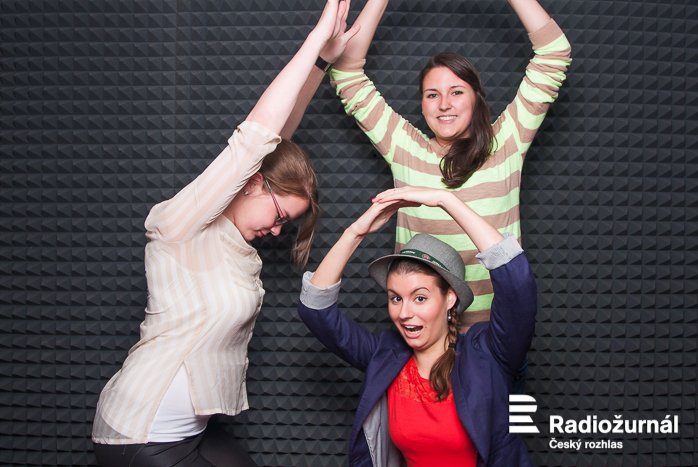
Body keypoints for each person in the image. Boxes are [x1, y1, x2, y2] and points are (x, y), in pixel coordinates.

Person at [91, 1, 360, 465]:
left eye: (285, 224)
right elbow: (257, 139)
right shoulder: (181, 224)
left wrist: (322, 63)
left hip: (191, 432)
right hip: (140, 434)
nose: (276, 230)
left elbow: (279, 139)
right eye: (279, 215)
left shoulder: (234, 241)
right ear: (253, 182)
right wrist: (315, 40)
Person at [326, 0, 572, 326]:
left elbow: (554, 53)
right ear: (422, 104)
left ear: (476, 99)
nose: (444, 104)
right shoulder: (404, 148)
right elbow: (346, 72)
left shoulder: (507, 143)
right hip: (424, 337)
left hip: (495, 337)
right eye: (432, 94)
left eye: (456, 92)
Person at [298, 186, 538, 466]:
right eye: (395, 298)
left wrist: (447, 201)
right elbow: (315, 309)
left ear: (450, 298)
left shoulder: (487, 355)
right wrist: (355, 233)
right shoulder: (386, 356)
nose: (404, 313)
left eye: (420, 298)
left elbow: (517, 281)